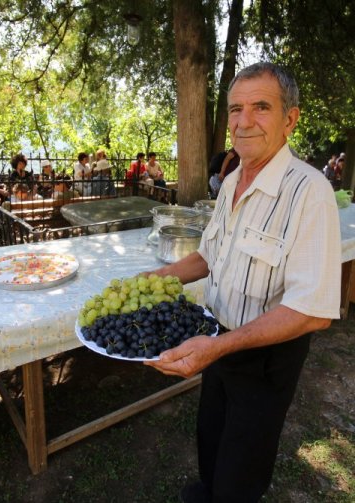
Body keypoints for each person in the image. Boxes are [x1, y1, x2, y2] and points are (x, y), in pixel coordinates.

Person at [143, 62, 341, 503]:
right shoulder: (231, 180)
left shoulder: (309, 192)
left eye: (261, 107)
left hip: (265, 359)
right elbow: (210, 256)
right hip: (216, 340)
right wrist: (156, 278)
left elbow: (312, 310)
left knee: (242, 469)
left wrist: (218, 347)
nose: (243, 121)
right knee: (211, 440)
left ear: (290, 118)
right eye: (236, 108)